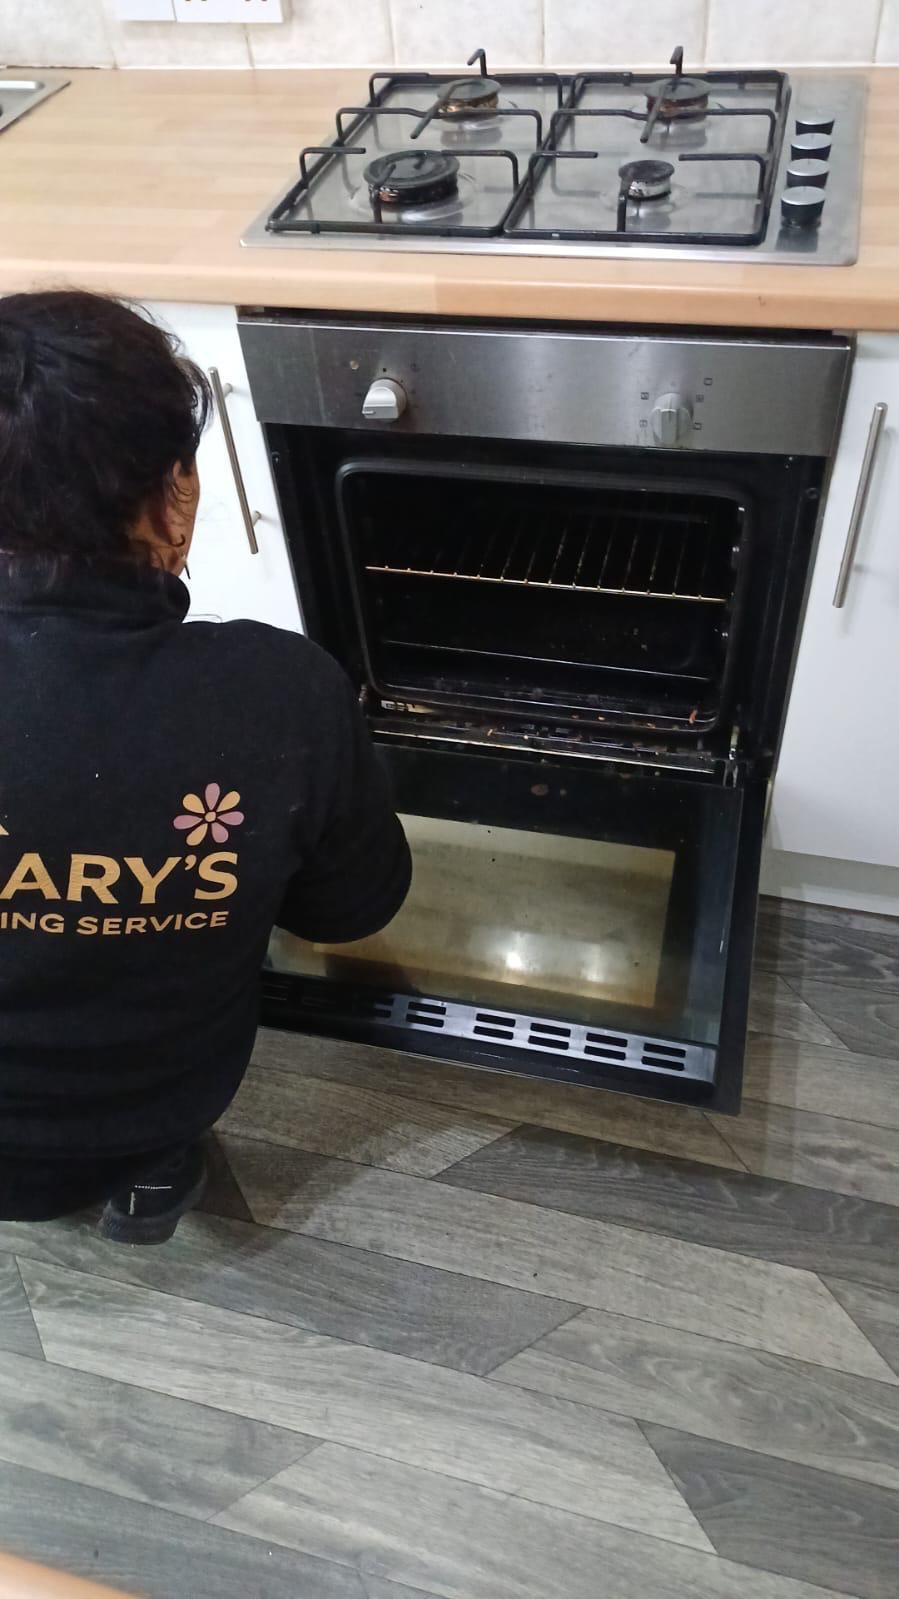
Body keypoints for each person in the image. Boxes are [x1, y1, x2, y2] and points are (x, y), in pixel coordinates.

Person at [0, 290, 411, 1242]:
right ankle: (150, 1177)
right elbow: (352, 910)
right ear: (172, 500)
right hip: (155, 1106)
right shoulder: (281, 694)